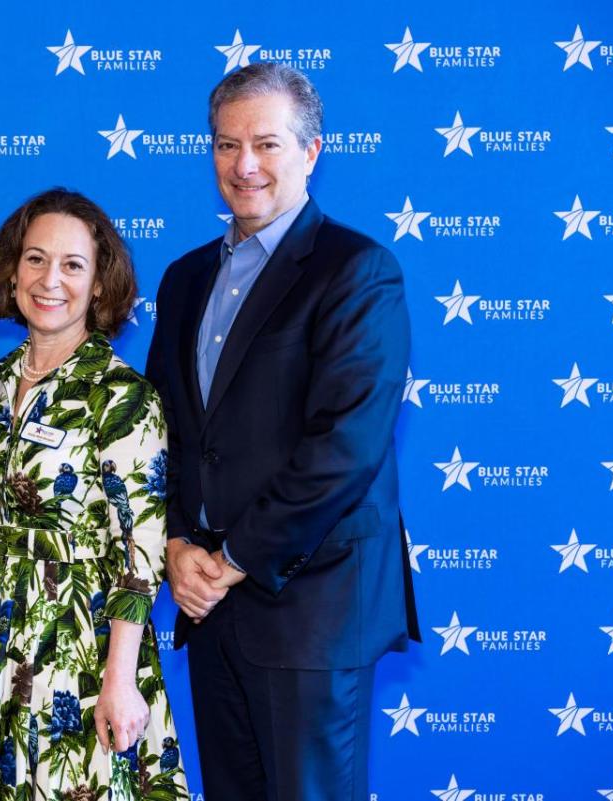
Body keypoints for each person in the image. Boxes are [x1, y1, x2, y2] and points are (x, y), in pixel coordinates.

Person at [146, 63, 420, 800]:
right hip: (209, 606)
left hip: (311, 610)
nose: (244, 165)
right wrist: (175, 541)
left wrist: (231, 557)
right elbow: (163, 431)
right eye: (227, 144)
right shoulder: (182, 278)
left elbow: (346, 449)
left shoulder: (358, 272)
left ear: (311, 151)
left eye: (266, 144)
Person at [0, 189, 189, 800]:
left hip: (83, 650)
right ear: (13, 272)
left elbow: (141, 555)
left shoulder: (121, 397)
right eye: (36, 259)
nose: (51, 280)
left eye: (73, 265)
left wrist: (120, 680)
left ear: (100, 284)